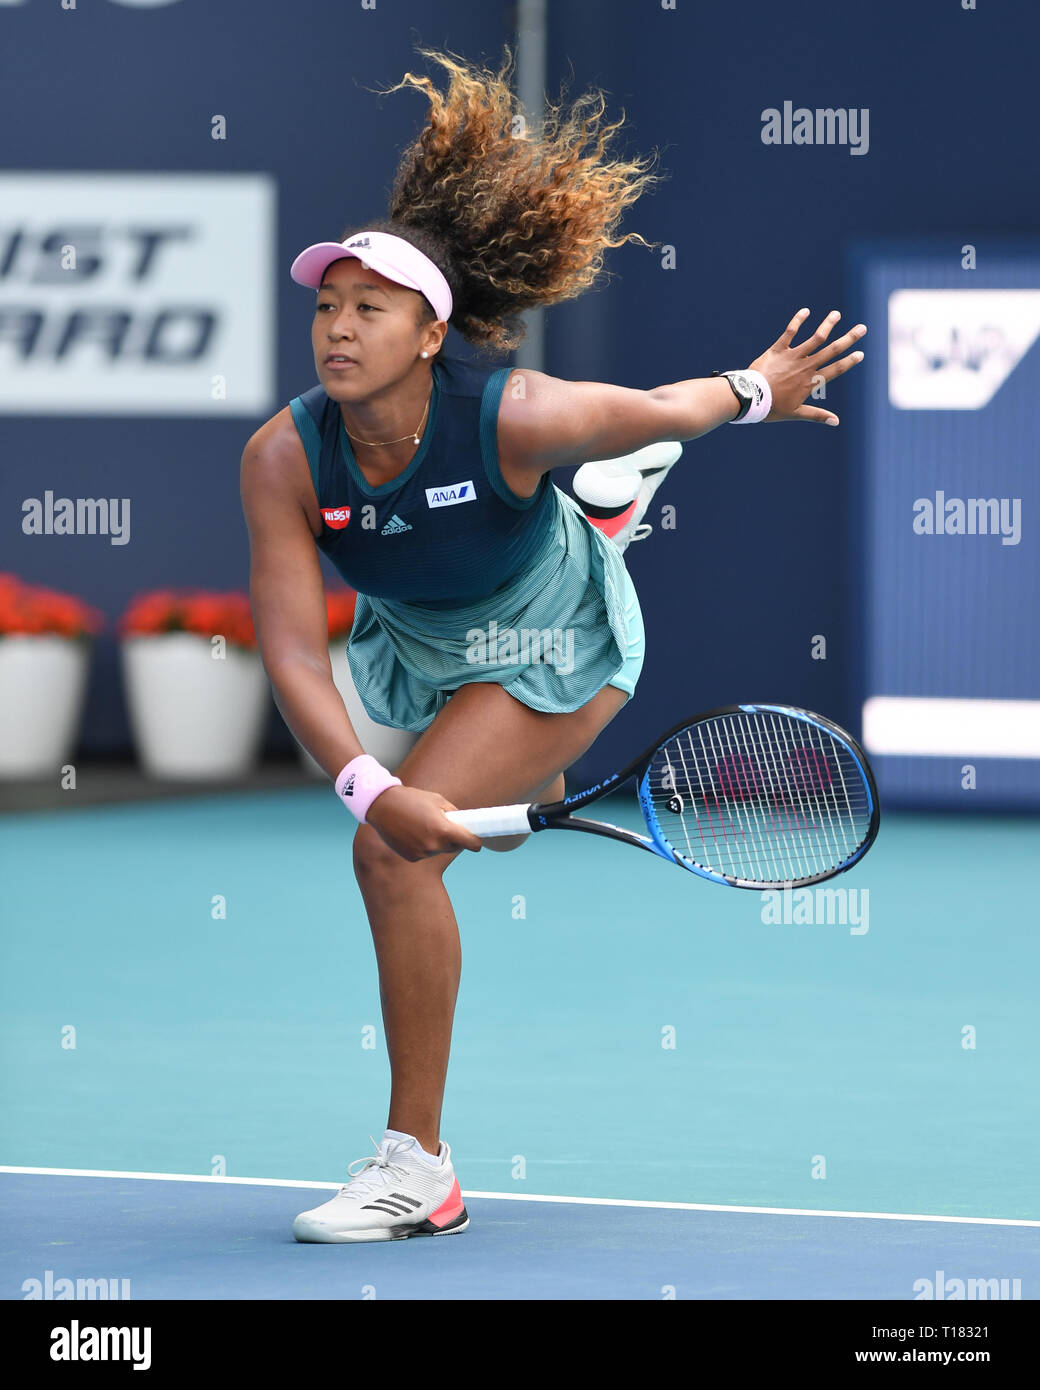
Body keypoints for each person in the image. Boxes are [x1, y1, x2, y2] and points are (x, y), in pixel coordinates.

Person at [239, 46, 866, 1243]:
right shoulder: (283, 455)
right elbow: (289, 653)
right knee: (395, 811)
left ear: (429, 336)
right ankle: (591, 527)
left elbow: (667, 405)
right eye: (325, 304)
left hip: (547, 638)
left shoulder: (517, 413)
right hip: (412, 643)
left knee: (392, 861)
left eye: (369, 308)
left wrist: (753, 387)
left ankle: (416, 1168)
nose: (336, 326)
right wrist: (370, 779)